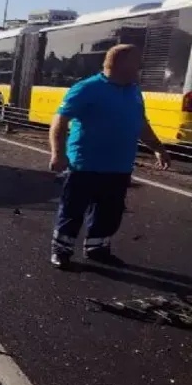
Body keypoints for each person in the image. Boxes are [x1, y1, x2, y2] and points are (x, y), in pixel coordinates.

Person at [48, 44, 170, 270]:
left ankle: (97, 249)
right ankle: (61, 250)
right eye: (137, 62)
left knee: (109, 213)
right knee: (72, 211)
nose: (140, 67)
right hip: (84, 164)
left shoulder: (133, 90)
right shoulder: (86, 89)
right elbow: (60, 122)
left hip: (119, 167)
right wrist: (58, 153)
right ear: (121, 64)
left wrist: (158, 148)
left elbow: (141, 124)